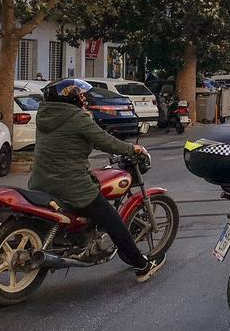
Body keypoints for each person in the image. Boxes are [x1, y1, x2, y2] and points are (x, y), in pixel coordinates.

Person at [28, 79, 165, 282]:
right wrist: (132, 149)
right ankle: (141, 265)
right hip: (72, 186)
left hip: (40, 182)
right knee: (113, 221)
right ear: (70, 97)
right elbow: (104, 141)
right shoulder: (76, 117)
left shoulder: (45, 114)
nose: (84, 98)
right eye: (80, 95)